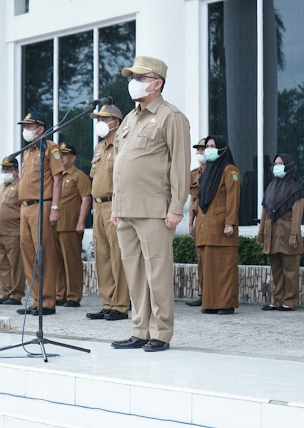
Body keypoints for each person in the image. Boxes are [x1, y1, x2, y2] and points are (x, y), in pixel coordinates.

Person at [110, 56, 191, 352]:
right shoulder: (130, 119)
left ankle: (161, 332)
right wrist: (116, 207)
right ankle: (139, 329)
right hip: (126, 210)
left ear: (157, 83)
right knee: (135, 273)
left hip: (155, 209)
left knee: (157, 273)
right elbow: (118, 164)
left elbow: (180, 165)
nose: (134, 83)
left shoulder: (172, 116)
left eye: (140, 77)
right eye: (133, 77)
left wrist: (176, 207)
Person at [16, 112, 65, 316]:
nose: (26, 130)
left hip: (41, 206)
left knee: (43, 253)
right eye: (25, 126)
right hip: (25, 208)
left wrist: (54, 208)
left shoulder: (50, 148)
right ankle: (36, 299)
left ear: (41, 128)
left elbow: (58, 178)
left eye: (30, 126)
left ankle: (47, 301)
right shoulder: (28, 150)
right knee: (28, 255)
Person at [87, 104, 131, 321]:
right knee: (102, 257)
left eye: (105, 119)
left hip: (116, 205)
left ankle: (121, 305)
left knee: (118, 257)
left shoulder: (123, 145)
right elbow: (94, 179)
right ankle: (107, 303)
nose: (100, 124)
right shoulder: (99, 148)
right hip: (99, 206)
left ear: (116, 122)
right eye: (99, 119)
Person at [195, 136, 240, 315]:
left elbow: (233, 198)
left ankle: (226, 304)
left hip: (222, 228)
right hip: (208, 229)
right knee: (210, 269)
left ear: (222, 149)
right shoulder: (207, 172)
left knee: (224, 268)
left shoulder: (229, 171)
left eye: (213, 146)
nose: (209, 149)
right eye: (207, 146)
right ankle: (211, 303)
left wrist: (230, 223)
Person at [257, 154, 304, 311]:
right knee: (276, 269)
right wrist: (261, 234)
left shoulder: (296, 189)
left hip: (286, 234)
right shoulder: (271, 186)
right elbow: (265, 211)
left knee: (290, 270)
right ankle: (277, 300)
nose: (277, 166)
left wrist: (294, 235)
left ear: (289, 166)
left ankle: (290, 301)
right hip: (272, 234)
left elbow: (297, 216)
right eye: (275, 163)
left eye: (280, 163)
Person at [54, 143, 91, 307]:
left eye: (65, 155)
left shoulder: (78, 176)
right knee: (57, 262)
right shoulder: (56, 176)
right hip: (55, 225)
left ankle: (73, 296)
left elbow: (86, 199)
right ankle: (59, 293)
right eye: (60, 155)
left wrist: (81, 222)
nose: (62, 158)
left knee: (72, 263)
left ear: (73, 157)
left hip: (70, 225)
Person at [0, 157, 25, 305]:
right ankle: (5, 292)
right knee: (2, 264)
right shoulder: (0, 187)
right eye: (3, 169)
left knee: (15, 264)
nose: (5, 172)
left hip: (13, 232)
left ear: (16, 171)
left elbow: (23, 209)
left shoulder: (20, 186)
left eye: (8, 169)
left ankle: (16, 294)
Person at [186, 137, 207, 307]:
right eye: (198, 150)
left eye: (202, 149)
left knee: (211, 259)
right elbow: (193, 200)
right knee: (200, 258)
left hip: (211, 218)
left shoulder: (216, 172)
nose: (199, 153)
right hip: (199, 218)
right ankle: (202, 293)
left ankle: (211, 295)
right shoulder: (194, 174)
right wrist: (190, 223)